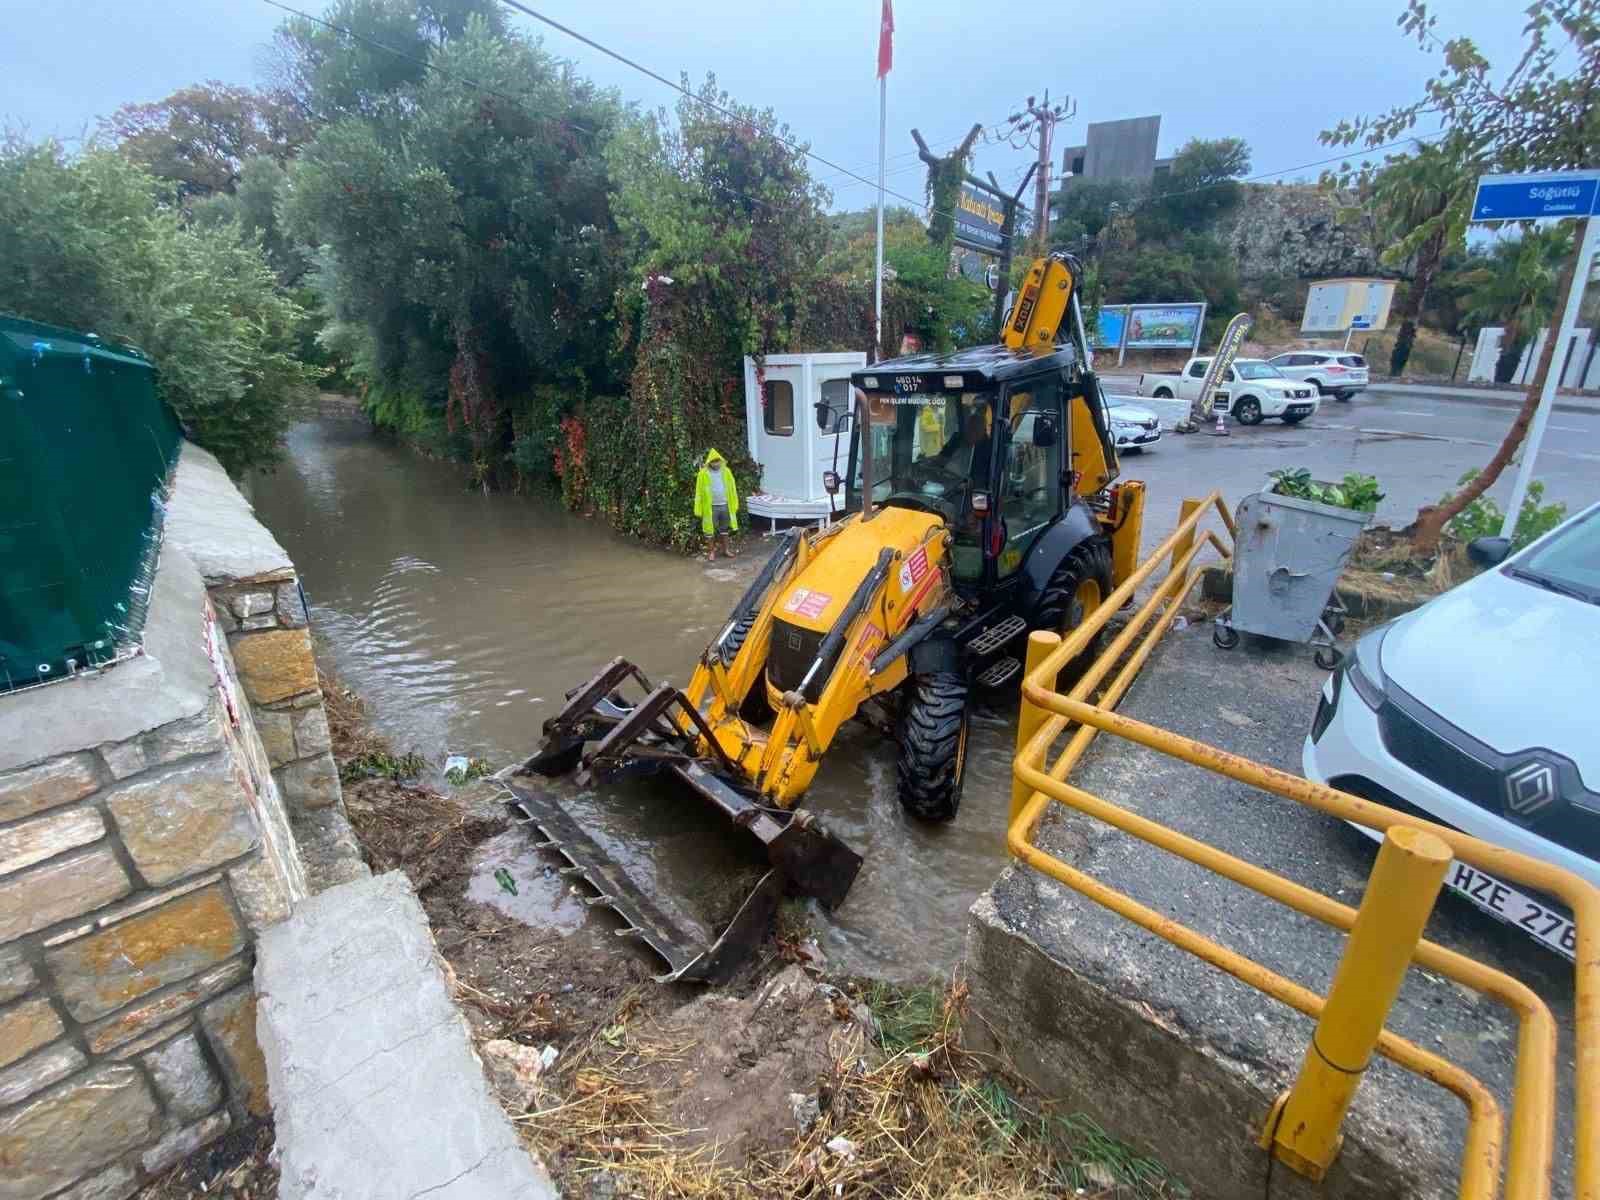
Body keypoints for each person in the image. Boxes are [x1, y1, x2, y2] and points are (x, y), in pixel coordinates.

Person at [693, 448, 740, 560]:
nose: (716, 463)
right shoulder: (703, 474)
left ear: (721, 460)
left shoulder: (726, 471)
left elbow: (733, 488)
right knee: (709, 531)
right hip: (710, 507)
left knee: (725, 529)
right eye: (713, 461)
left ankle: (726, 550)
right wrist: (698, 509)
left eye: (717, 461)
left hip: (725, 505)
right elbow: (698, 492)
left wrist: (735, 503)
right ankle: (711, 552)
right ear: (709, 462)